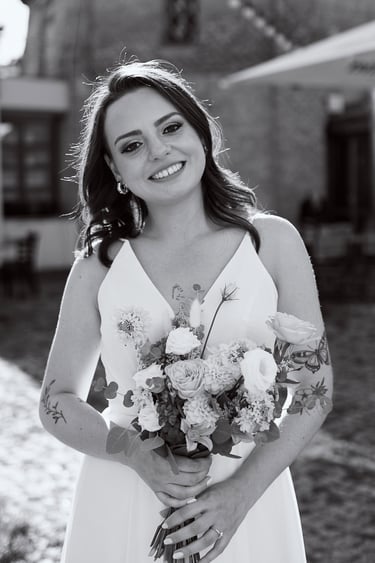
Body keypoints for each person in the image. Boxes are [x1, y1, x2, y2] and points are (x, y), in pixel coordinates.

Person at [39, 59, 333, 562]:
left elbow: (315, 389)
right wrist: (131, 451)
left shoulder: (273, 242)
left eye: (171, 127)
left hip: (248, 498)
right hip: (125, 500)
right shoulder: (99, 267)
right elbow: (54, 401)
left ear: (200, 132)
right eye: (132, 145)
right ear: (115, 169)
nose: (159, 151)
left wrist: (238, 498)